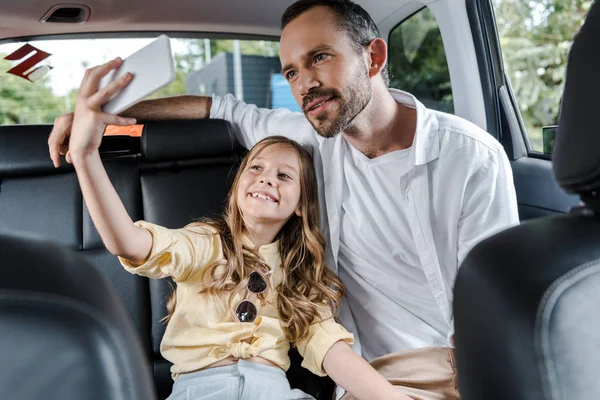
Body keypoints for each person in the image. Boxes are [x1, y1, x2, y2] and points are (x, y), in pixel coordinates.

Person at [48, 1, 519, 398]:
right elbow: (220, 109)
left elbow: (494, 302)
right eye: (291, 71)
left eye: (320, 58)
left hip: (462, 361)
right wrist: (101, 117)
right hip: (373, 369)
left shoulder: (471, 157)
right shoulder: (305, 141)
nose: (304, 84)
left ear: (373, 57)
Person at [67, 57, 410, 400]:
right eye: (256, 167)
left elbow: (331, 350)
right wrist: (86, 157)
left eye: (284, 176)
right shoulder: (206, 243)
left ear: (301, 204)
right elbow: (130, 243)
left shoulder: (299, 274)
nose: (266, 178)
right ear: (237, 188)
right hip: (199, 390)